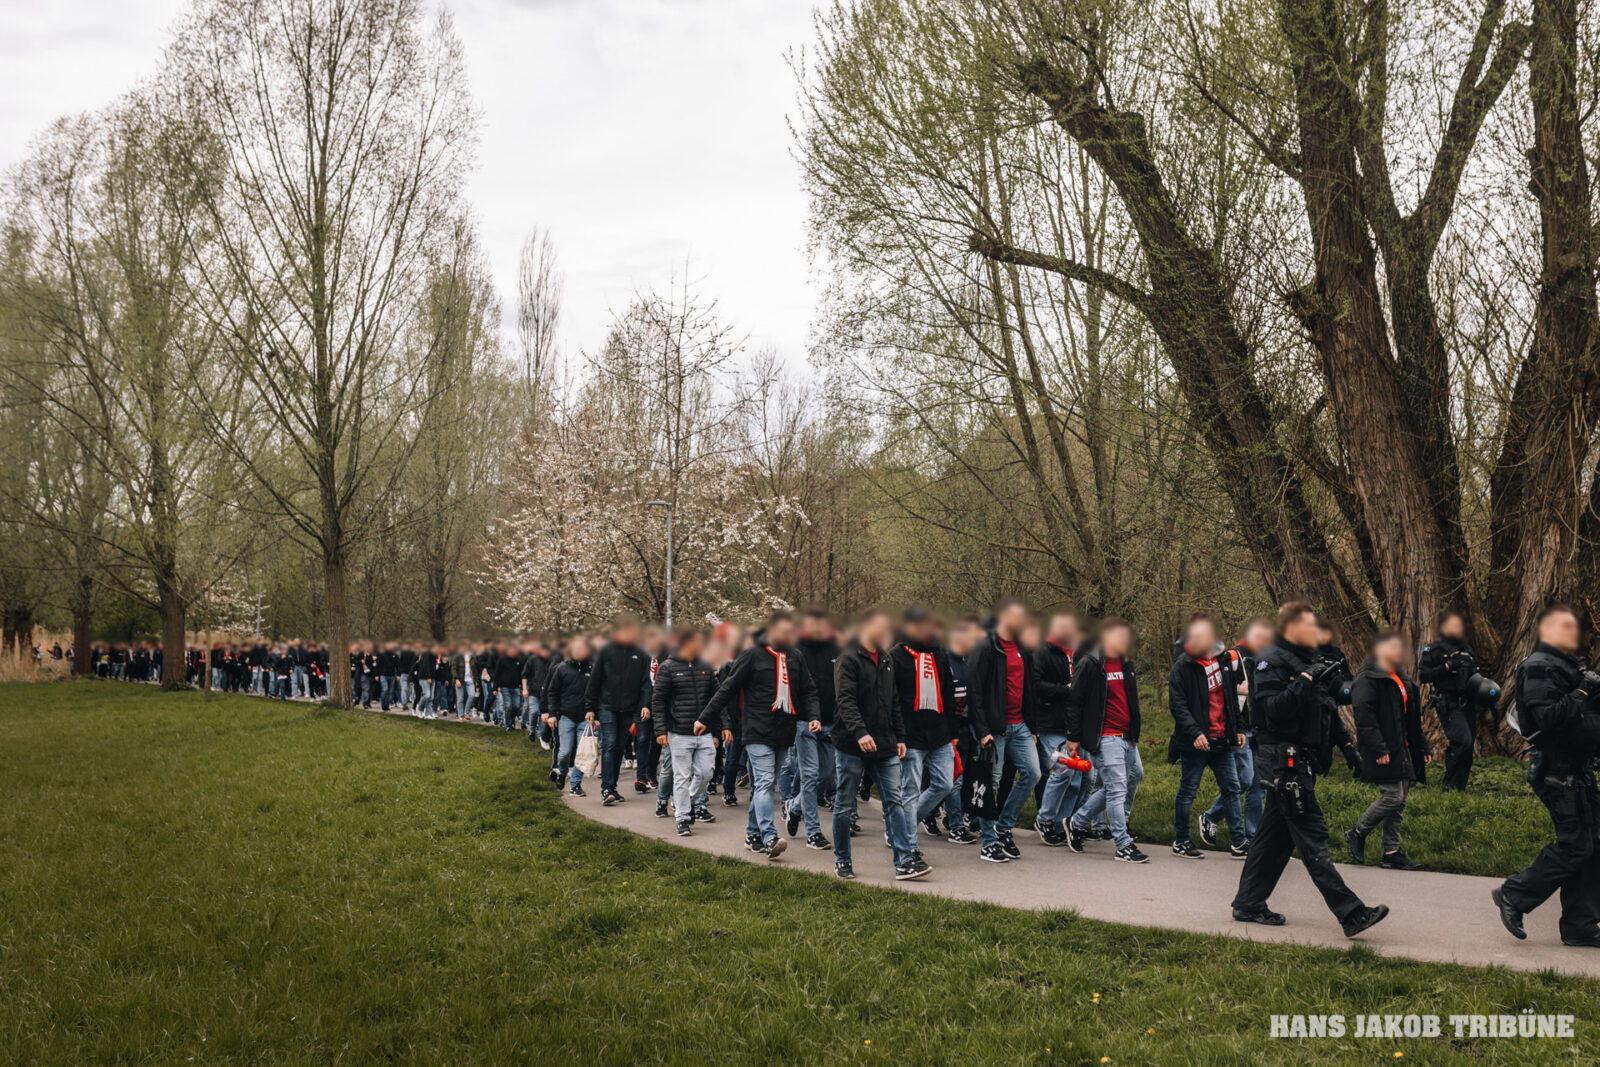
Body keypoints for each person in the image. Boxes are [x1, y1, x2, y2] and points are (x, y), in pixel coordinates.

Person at [1231, 601, 1389, 937]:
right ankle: (1351, 913)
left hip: (1302, 758)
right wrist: (1304, 679)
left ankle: (1248, 903)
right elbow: (1273, 710)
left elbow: (1329, 707)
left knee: (1273, 838)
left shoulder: (1311, 660)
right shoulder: (1268, 661)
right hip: (1282, 760)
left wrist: (1348, 748)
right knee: (1312, 834)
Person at [1492, 605, 1600, 948]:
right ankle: (1513, 895)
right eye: (1565, 626)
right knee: (1576, 845)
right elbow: (1547, 720)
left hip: (1578, 769)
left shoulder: (1569, 666)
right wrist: (1583, 689)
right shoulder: (1539, 667)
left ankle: (1580, 925)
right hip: (1556, 771)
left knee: (1593, 846)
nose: (1574, 632)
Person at [703, 611, 820, 859]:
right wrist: (705, 718)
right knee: (765, 782)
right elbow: (728, 688)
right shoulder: (753, 655)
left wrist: (814, 716)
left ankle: (752, 833)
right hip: (756, 730)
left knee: (765, 785)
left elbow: (808, 689)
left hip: (784, 731)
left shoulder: (795, 658)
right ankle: (769, 837)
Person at [831, 609, 927, 880]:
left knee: (894, 802)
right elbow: (845, 700)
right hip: (852, 744)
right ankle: (842, 860)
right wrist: (860, 732)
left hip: (885, 744)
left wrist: (900, 736)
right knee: (845, 803)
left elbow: (892, 700)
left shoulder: (886, 659)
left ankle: (904, 861)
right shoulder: (848, 657)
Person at [1344, 631, 1428, 870]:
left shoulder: (1400, 677)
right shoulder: (1368, 677)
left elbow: (1412, 718)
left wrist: (1422, 746)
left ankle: (1391, 853)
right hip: (1383, 749)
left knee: (1399, 803)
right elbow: (1364, 717)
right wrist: (1379, 747)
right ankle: (1357, 832)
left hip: (1404, 748)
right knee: (1393, 796)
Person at [1167, 614, 1248, 859]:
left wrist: (1239, 728)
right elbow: (1178, 705)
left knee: (1232, 789)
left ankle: (1239, 843)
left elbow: (1231, 697)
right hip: (1196, 743)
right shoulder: (1183, 666)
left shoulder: (1223, 660)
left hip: (1222, 740)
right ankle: (1181, 841)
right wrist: (1195, 733)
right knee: (1188, 791)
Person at [1065, 618, 1148, 862]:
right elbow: (1074, 701)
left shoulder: (1125, 663)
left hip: (1127, 736)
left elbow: (1131, 700)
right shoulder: (1091, 663)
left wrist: (1134, 732)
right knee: (1117, 788)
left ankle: (1077, 822)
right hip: (1105, 735)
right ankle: (1123, 844)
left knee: (1132, 777)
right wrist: (1073, 737)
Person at [965, 598, 1040, 864]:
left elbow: (1028, 688)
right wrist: (982, 730)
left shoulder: (1022, 648)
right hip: (993, 729)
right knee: (991, 782)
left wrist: (1032, 726)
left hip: (1020, 726)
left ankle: (1003, 827)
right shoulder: (985, 647)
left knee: (1033, 773)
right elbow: (974, 692)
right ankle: (988, 842)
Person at [1199, 618, 1273, 848]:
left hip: (1259, 730)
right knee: (1244, 779)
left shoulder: (1264, 659)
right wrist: (1240, 689)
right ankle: (1212, 816)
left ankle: (1253, 836)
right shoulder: (1232, 657)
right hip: (1239, 730)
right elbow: (1219, 690)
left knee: (1257, 784)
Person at [891, 607, 956, 860]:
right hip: (911, 736)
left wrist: (953, 731)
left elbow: (948, 692)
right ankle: (909, 845)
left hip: (940, 734)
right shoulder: (896, 657)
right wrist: (898, 735)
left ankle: (901, 827)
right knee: (910, 791)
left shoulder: (939, 653)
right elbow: (892, 700)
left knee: (944, 784)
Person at [651, 628, 720, 836]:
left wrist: (720, 728)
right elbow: (658, 700)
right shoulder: (668, 667)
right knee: (681, 776)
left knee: (706, 772)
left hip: (704, 731)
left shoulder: (705, 666)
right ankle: (682, 818)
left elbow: (717, 699)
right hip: (678, 732)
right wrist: (660, 730)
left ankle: (687, 802)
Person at [783, 608, 840, 849]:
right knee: (810, 775)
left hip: (830, 722)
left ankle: (794, 807)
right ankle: (813, 833)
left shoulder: (836, 649)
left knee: (827, 776)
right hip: (803, 721)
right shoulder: (796, 651)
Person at [583, 617, 654, 806]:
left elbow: (646, 683)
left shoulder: (641, 654)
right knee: (610, 744)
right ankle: (606, 788)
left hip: (629, 708)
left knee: (619, 747)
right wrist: (590, 707)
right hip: (606, 706)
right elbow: (595, 681)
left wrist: (645, 704)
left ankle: (612, 787)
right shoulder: (606, 651)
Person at [1031, 612, 1082, 846]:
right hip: (1050, 721)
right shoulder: (1043, 652)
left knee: (1077, 778)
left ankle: (1062, 822)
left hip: (1072, 723)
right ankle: (1044, 819)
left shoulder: (1076, 652)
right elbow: (1035, 685)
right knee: (1063, 770)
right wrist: (1065, 689)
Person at [1418, 610, 1481, 792]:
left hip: (1468, 702)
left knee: (1468, 747)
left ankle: (1459, 787)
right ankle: (1450, 786)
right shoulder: (1434, 649)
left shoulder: (1467, 650)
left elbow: (1475, 676)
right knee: (1463, 741)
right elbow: (1423, 675)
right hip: (1448, 702)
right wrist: (1447, 666)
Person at [548, 636, 595, 796]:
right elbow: (552, 692)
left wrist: (597, 716)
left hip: (586, 718)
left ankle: (575, 784)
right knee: (565, 752)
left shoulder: (592, 669)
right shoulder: (562, 668)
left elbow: (597, 694)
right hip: (566, 716)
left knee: (581, 754)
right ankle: (561, 772)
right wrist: (552, 714)